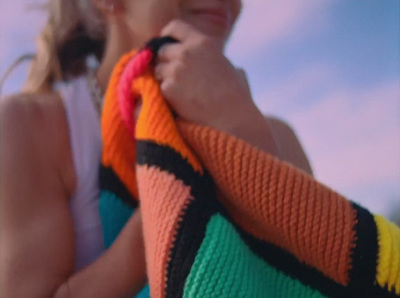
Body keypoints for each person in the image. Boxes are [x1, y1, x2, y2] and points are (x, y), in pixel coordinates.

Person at [0, 0, 313, 297]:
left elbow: (321, 277)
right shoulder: (29, 126)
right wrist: (175, 193)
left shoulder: (277, 137)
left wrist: (241, 131)